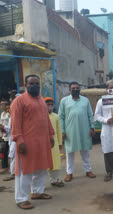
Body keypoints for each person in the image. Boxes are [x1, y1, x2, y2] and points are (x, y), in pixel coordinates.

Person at [11, 74, 55, 210]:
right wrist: (19, 140)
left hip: (42, 142)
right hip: (26, 142)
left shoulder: (41, 99)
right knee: (25, 171)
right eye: (31, 84)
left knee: (41, 168)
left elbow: (46, 119)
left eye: (37, 83)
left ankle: (37, 192)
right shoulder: (19, 101)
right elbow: (15, 123)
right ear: (25, 85)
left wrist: (51, 135)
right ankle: (21, 198)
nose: (35, 86)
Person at [59, 82, 96, 182]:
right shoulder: (64, 101)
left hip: (84, 129)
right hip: (70, 130)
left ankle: (88, 170)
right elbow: (61, 117)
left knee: (85, 152)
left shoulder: (85, 100)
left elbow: (90, 114)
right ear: (69, 90)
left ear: (79, 89)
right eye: (73, 88)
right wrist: (62, 131)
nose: (75, 89)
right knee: (69, 152)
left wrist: (92, 127)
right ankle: (69, 173)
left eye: (77, 88)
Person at [44, 97, 64, 187]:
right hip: (43, 145)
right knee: (43, 165)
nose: (50, 107)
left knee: (55, 163)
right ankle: (40, 185)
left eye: (52, 105)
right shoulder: (40, 116)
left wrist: (60, 143)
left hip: (54, 144)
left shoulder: (56, 116)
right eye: (48, 105)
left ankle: (54, 180)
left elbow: (59, 131)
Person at [1, 101, 15, 181]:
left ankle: (13, 173)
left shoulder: (14, 117)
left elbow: (11, 128)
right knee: (11, 155)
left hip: (15, 140)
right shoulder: (10, 117)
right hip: (10, 138)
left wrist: (4, 127)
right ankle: (12, 172)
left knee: (12, 156)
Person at [0, 99, 10, 174]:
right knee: (3, 151)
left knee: (10, 152)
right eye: (1, 104)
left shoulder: (9, 114)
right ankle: (4, 166)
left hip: (9, 135)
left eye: (2, 104)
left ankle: (9, 167)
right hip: (4, 135)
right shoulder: (2, 114)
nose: (1, 106)